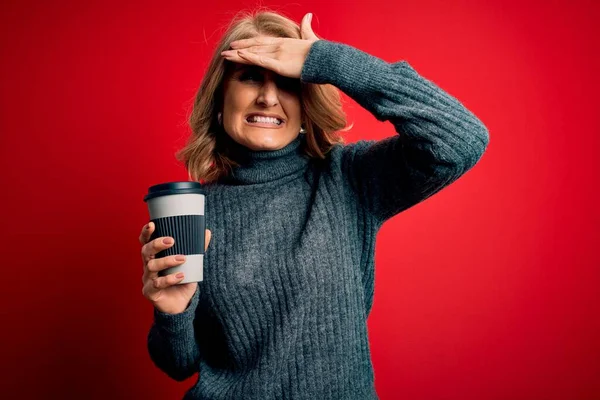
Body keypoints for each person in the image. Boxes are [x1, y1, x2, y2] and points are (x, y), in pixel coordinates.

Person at [138, 9, 489, 400]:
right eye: (250, 76)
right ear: (221, 99)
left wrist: (328, 61)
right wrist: (173, 310)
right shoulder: (190, 210)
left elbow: (461, 140)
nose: (268, 97)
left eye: (288, 82)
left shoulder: (348, 178)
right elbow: (178, 364)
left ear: (307, 103)